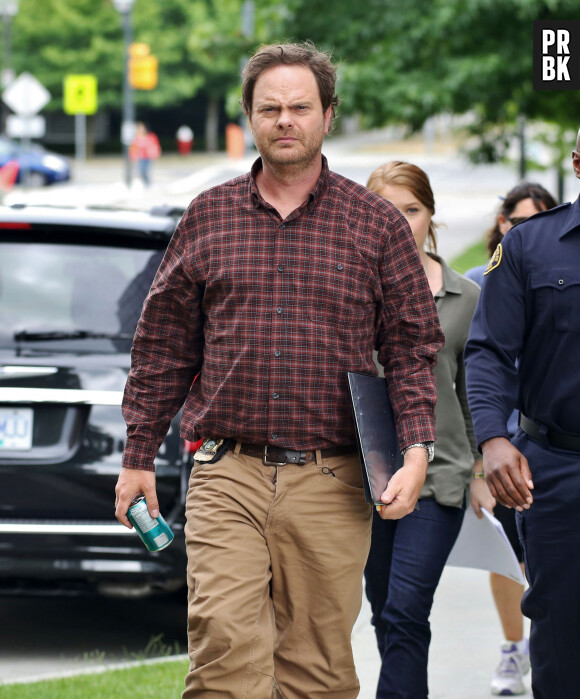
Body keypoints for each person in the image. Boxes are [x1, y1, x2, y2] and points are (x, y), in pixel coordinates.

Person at [114, 42, 444, 699]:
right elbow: (163, 344)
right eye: (270, 109)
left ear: (329, 114)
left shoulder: (375, 223)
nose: (284, 120)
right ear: (250, 118)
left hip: (332, 477)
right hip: (226, 470)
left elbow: (410, 346)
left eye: (299, 107)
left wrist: (415, 449)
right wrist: (138, 454)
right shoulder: (209, 215)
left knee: (316, 671)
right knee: (223, 660)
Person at [364, 161, 489, 698]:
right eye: (387, 210)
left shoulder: (466, 298)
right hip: (366, 477)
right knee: (384, 613)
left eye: (411, 210)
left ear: (430, 214)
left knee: (406, 609)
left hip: (439, 477)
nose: (400, 221)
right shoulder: (353, 290)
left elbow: (470, 390)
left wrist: (479, 468)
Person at [464, 129, 580, 699]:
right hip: (558, 470)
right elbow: (489, 351)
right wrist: (492, 439)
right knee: (561, 637)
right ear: (579, 163)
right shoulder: (530, 247)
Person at [129, 122, 161, 186]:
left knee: (145, 170)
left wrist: (156, 153)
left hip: (148, 156)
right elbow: (133, 148)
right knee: (141, 171)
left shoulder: (150, 136)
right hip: (140, 157)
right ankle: (145, 183)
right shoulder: (136, 138)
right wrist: (132, 155)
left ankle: (147, 183)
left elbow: (154, 145)